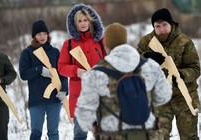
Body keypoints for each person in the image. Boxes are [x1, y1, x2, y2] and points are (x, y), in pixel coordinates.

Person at [74, 22, 172, 140]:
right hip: (146, 134)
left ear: (106, 45)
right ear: (125, 41)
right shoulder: (150, 66)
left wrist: (94, 127)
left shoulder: (96, 73)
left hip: (112, 135)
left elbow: (84, 111)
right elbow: (164, 96)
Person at [137, 8, 200, 140]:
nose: (161, 29)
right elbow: (135, 66)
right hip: (159, 99)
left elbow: (195, 69)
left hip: (184, 96)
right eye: (157, 26)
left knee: (189, 137)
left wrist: (182, 75)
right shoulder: (146, 42)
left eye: (164, 24)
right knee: (158, 137)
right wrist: (147, 57)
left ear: (171, 24)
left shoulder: (184, 42)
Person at [57, 3, 105, 140]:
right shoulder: (69, 44)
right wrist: (76, 71)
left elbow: (111, 62)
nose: (83, 24)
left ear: (90, 21)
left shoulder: (100, 41)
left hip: (100, 94)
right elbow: (61, 66)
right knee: (79, 134)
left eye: (85, 20)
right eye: (79, 21)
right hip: (80, 97)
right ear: (75, 24)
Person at [19, 20, 68, 140]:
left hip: (54, 100)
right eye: (39, 34)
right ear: (34, 36)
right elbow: (23, 74)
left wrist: (64, 90)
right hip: (37, 101)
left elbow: (63, 74)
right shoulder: (27, 53)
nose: (42, 37)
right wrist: (38, 70)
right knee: (36, 133)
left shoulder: (55, 52)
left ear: (48, 35)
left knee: (54, 133)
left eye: (44, 33)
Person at [0, 34, 17, 140]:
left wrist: (1, 79)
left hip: (0, 101)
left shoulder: (2, 57)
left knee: (1, 135)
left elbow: (12, 74)